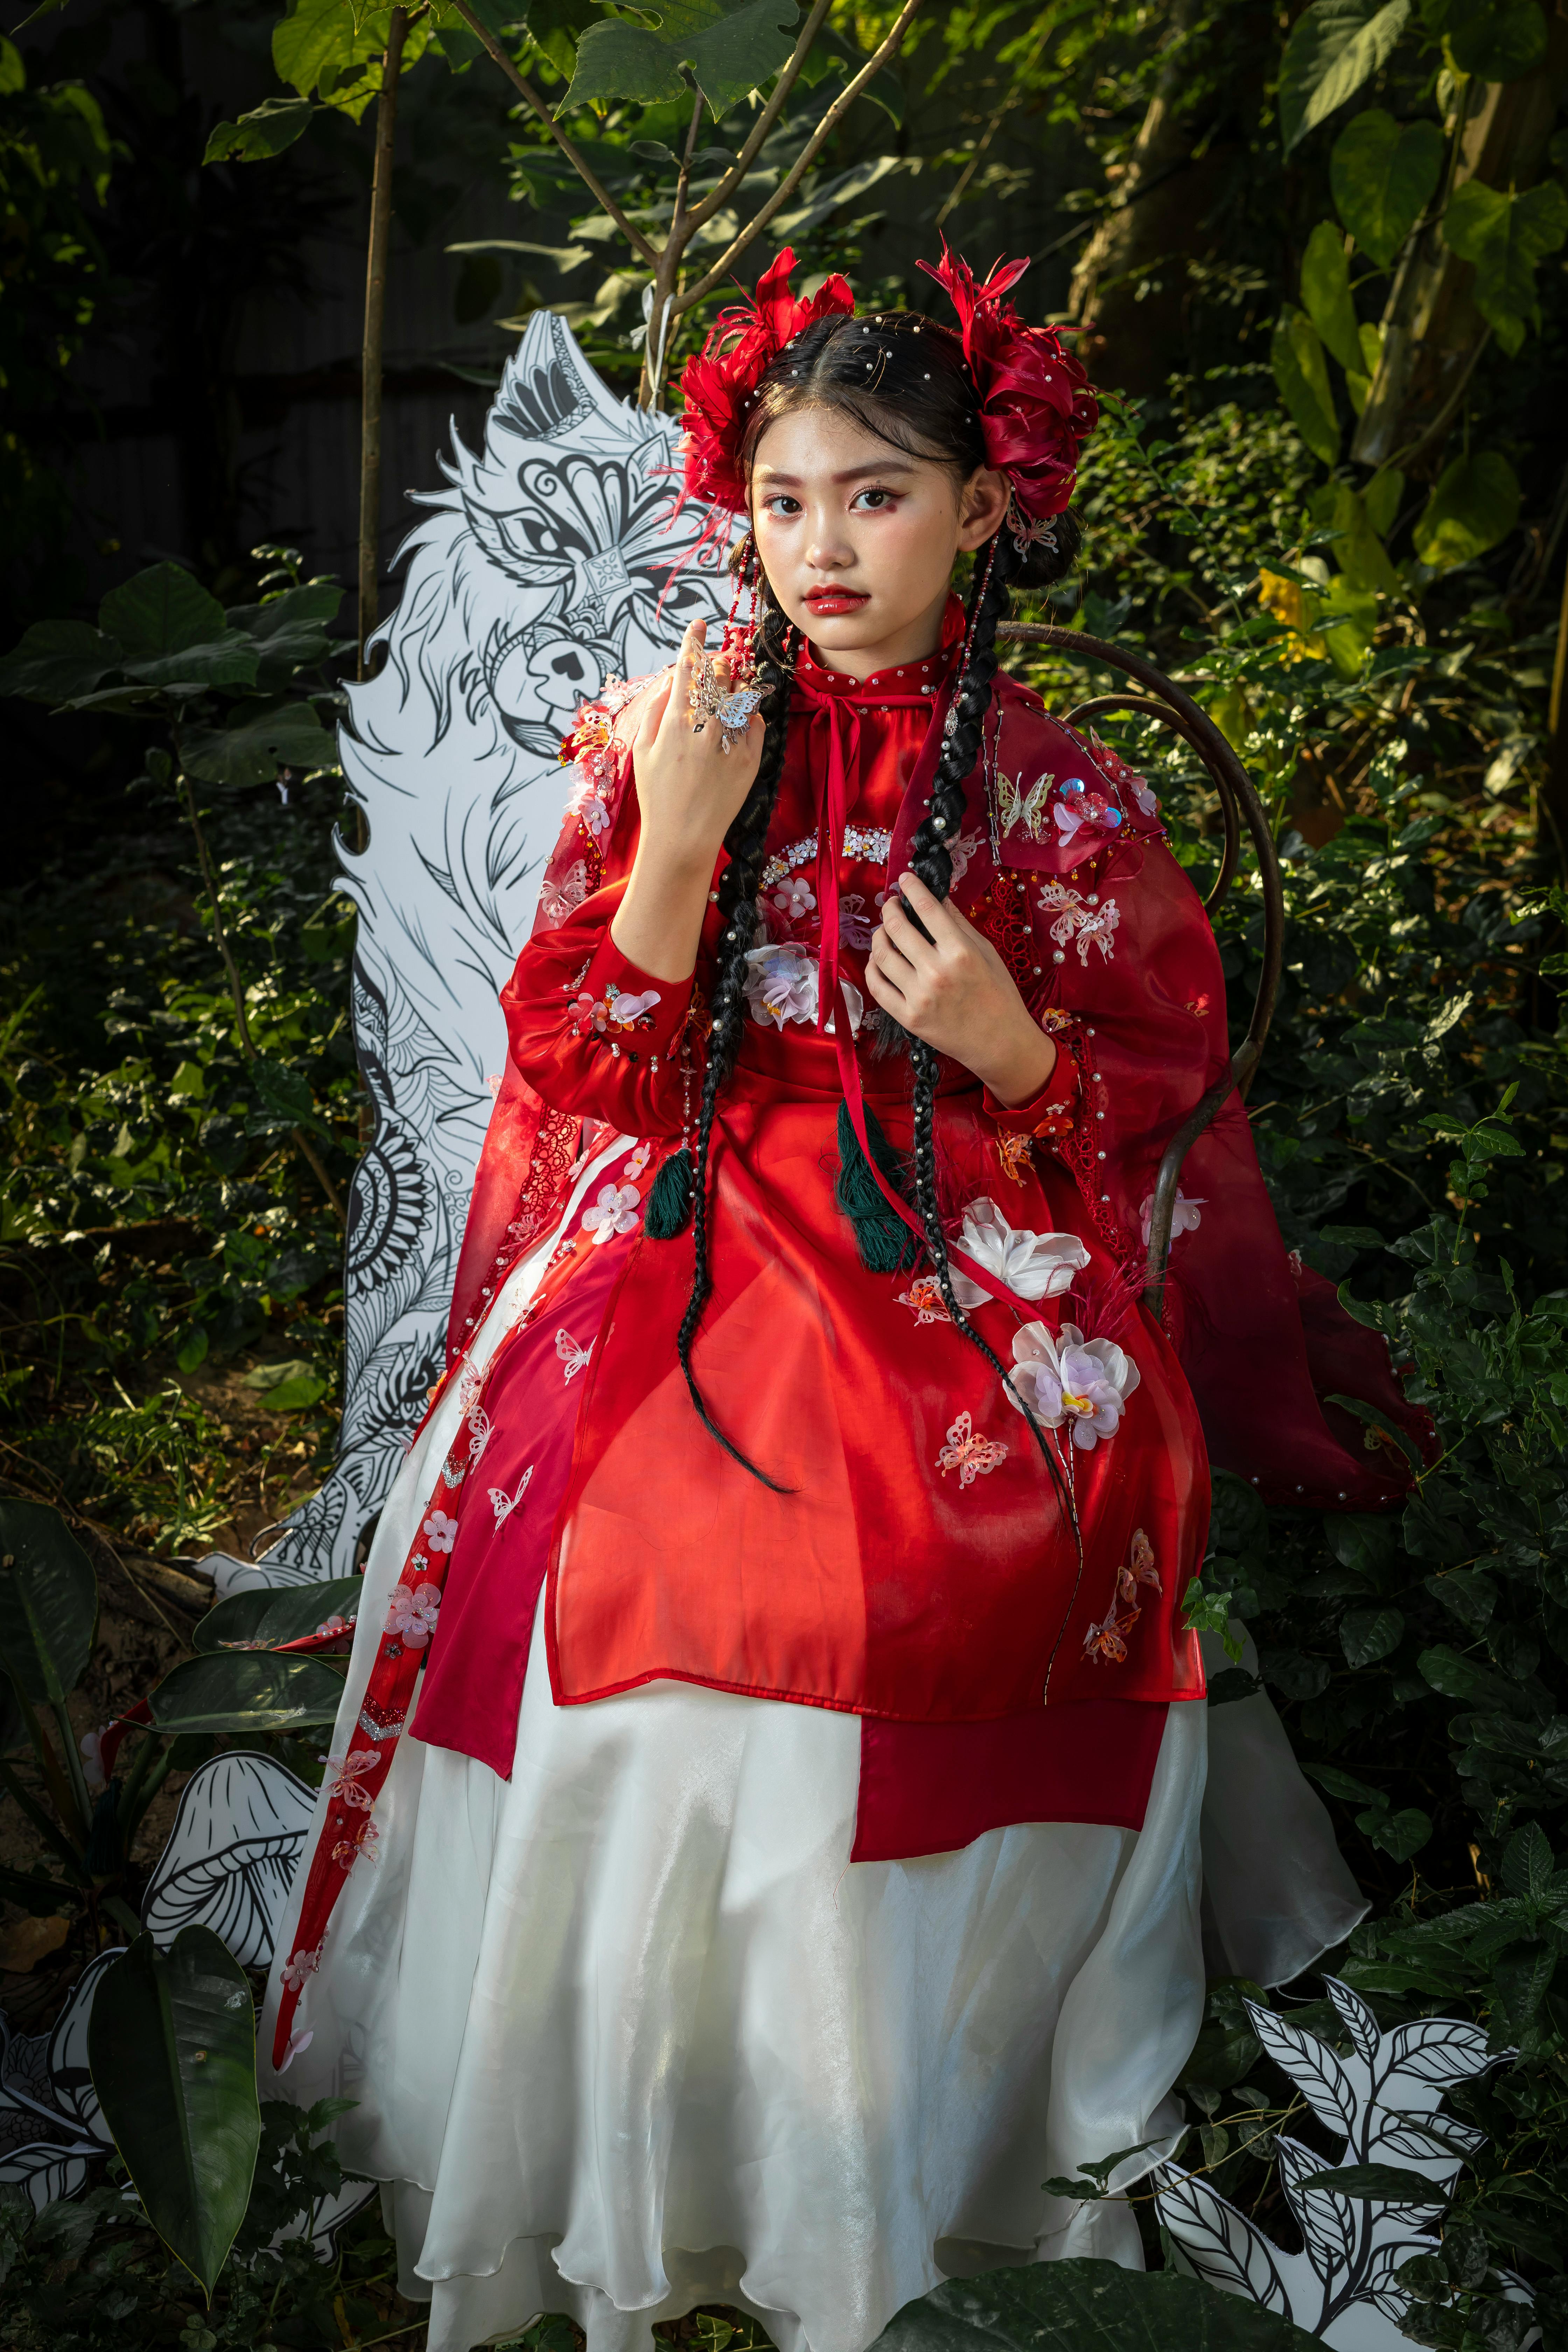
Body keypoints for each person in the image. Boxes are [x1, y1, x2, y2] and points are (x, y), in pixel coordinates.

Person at [261, 249, 1429, 2352]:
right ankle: (661, 2137)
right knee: (626, 1535)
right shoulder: (677, 737)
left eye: (879, 497)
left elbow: (1154, 1111)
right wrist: (676, 855)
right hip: (698, 1214)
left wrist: (1005, 1052)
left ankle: (920, 2148)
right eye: (787, 501)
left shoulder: (1058, 793)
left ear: (983, 509)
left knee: (953, 1544)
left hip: (966, 1228)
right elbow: (587, 1068)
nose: (824, 548)